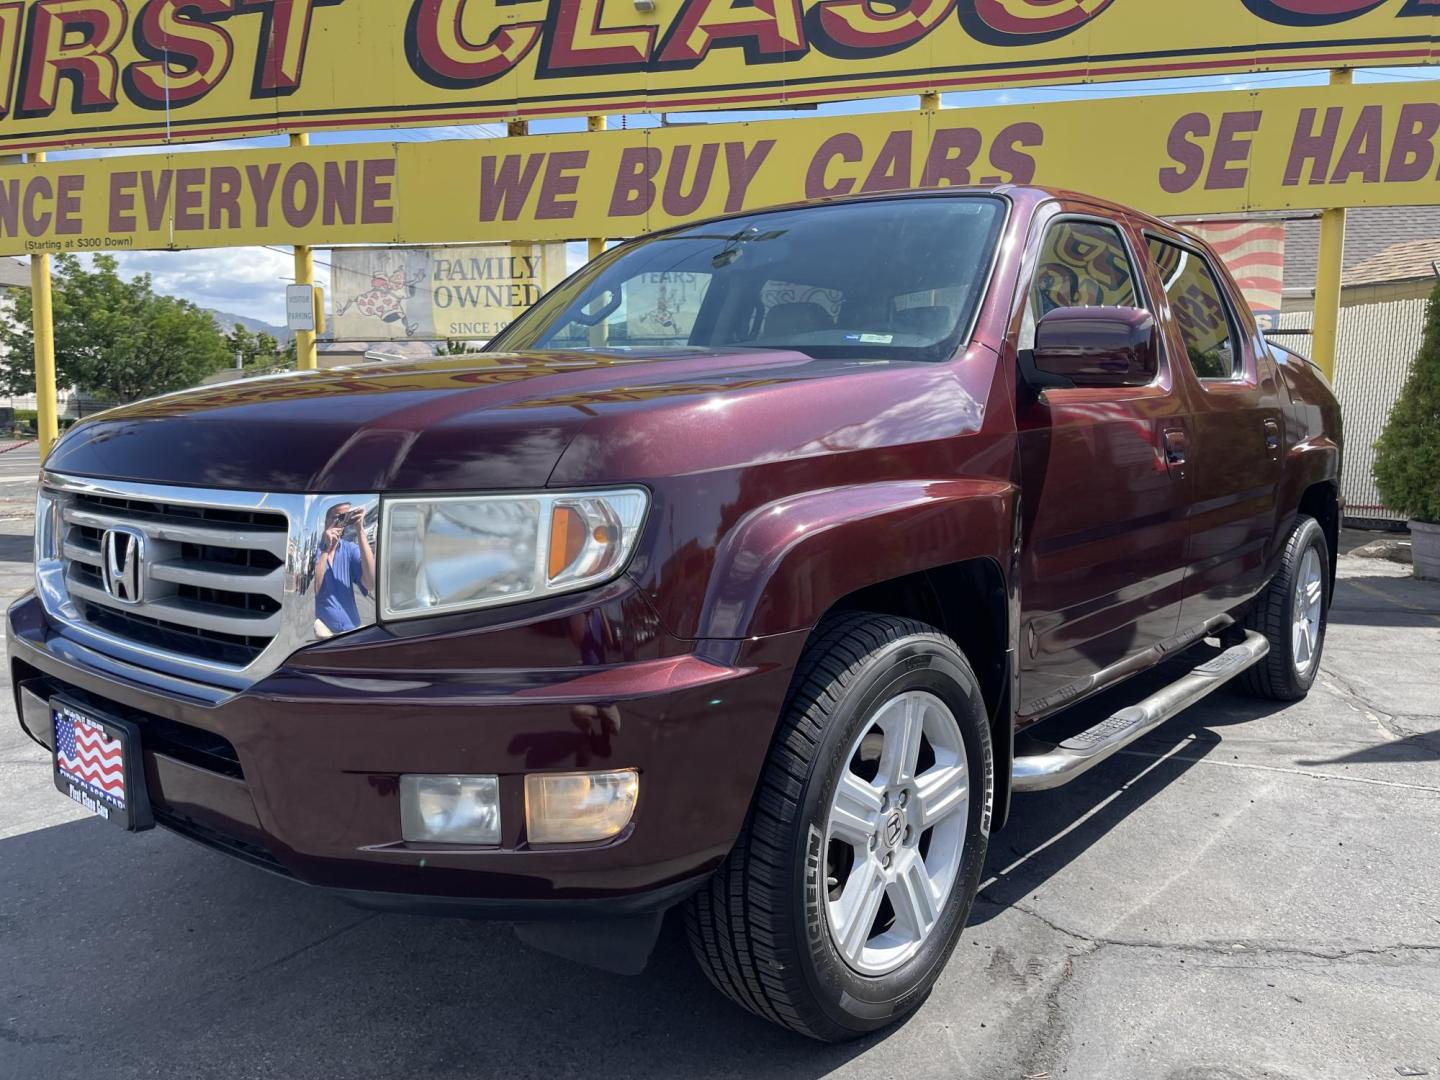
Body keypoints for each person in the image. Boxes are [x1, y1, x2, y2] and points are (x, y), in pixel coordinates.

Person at [314, 503, 376, 635]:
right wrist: (326, 549)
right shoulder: (314, 551)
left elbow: (370, 583)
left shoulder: (350, 549)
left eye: (345, 518)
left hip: (352, 629)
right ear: (326, 522)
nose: (340, 523)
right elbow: (315, 589)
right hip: (323, 634)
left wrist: (360, 529)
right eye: (337, 517)